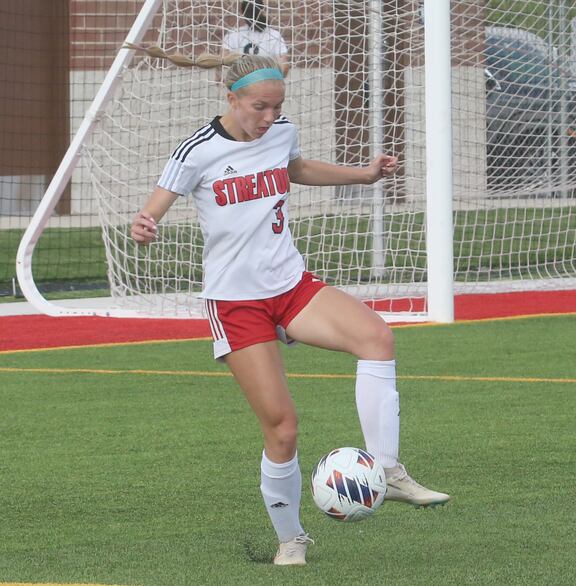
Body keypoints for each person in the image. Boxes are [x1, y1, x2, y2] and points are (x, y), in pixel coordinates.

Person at [129, 51, 449, 567]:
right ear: (231, 98)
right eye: (259, 107)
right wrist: (144, 225)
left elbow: (296, 168)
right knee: (282, 428)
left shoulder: (281, 133)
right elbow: (152, 210)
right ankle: (291, 539)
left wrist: (364, 175)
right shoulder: (197, 150)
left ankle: (387, 471)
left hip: (291, 285)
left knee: (376, 337)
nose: (269, 117)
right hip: (237, 303)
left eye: (277, 107)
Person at [222, 0, 290, 77]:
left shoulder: (233, 34)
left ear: (243, 13)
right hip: (266, 80)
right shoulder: (274, 35)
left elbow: (222, 63)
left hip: (240, 82)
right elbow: (284, 67)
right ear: (262, 11)